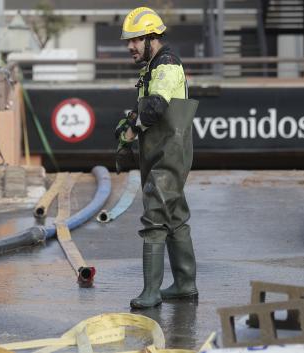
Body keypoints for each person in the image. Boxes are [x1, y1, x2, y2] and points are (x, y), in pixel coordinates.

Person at [114, 7, 199, 309]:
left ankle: (151, 292)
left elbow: (156, 107)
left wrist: (130, 131)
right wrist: (132, 120)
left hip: (168, 154)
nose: (130, 47)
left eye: (135, 40)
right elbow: (147, 107)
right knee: (173, 216)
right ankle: (185, 283)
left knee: (154, 218)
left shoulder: (166, 65)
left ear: (152, 37)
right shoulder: (153, 66)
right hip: (164, 152)